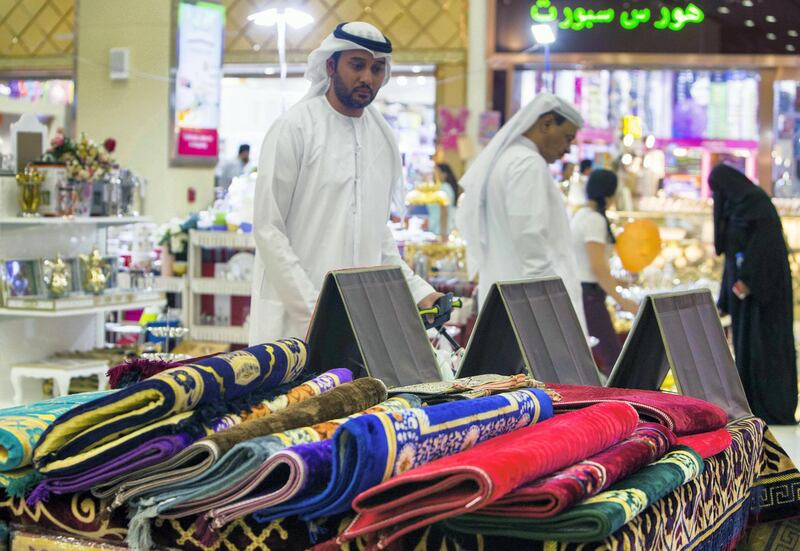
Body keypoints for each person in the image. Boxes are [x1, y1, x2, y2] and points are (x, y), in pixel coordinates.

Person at [249, 22, 442, 344]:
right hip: (293, 322)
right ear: (330, 65)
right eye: (357, 65)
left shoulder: (381, 138)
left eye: (377, 68)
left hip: (357, 321)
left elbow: (377, 236)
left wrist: (421, 292)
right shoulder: (294, 128)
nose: (367, 77)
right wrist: (314, 311)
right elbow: (269, 230)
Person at [457, 92, 587, 331]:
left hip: (510, 300)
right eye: (568, 138)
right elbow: (530, 239)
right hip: (529, 310)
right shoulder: (527, 163)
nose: (568, 149)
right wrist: (551, 310)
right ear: (547, 123)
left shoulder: (509, 160)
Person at [710, 163, 797, 424]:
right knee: (747, 348)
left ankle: (772, 406)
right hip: (744, 300)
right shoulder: (737, 207)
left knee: (766, 348)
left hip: (764, 296)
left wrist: (747, 281)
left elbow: (767, 250)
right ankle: (751, 404)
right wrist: (726, 298)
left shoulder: (756, 204)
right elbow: (729, 256)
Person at [571, 169, 639, 375]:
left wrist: (617, 282)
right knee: (613, 359)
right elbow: (597, 268)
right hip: (590, 295)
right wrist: (623, 300)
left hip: (584, 291)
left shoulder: (582, 215)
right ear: (610, 193)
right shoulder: (594, 220)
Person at [428, 162, 461, 236]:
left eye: (436, 172)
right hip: (436, 229)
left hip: (442, 230)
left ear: (444, 174)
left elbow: (444, 211)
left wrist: (443, 233)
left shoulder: (445, 188)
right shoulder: (439, 188)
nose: (434, 175)